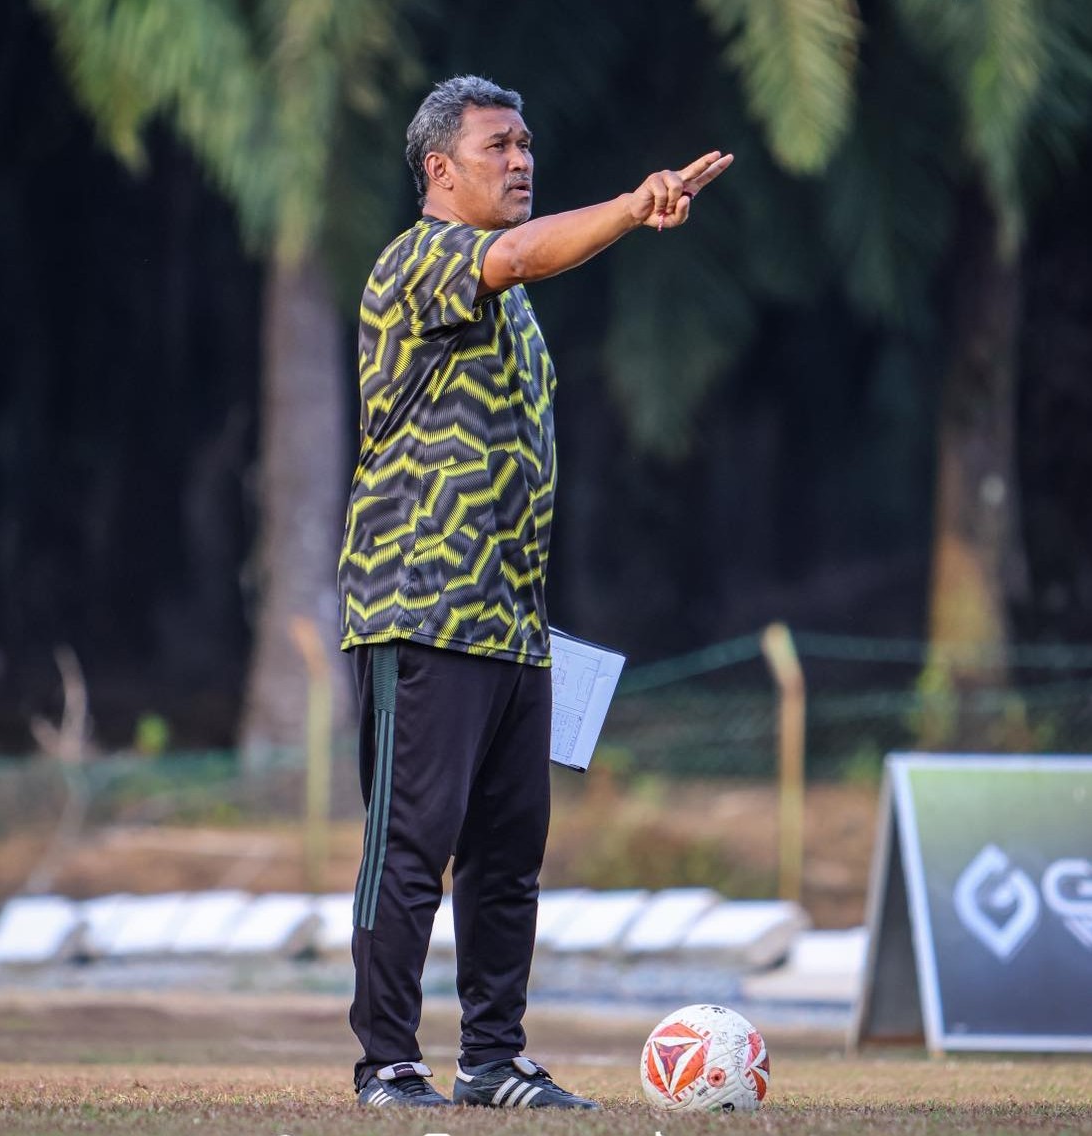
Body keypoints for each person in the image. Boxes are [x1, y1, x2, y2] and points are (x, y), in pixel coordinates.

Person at [336, 74, 733, 1110]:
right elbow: (515, 254)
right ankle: (388, 1063)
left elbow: (517, 269)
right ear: (440, 170)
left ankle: (492, 1059)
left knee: (509, 859)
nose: (521, 160)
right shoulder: (418, 260)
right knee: (410, 848)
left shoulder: (513, 308)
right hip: (421, 610)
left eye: (526, 144)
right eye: (498, 146)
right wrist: (632, 205)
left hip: (513, 627)